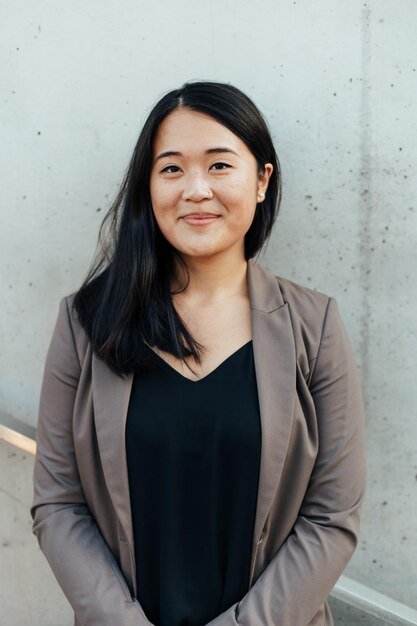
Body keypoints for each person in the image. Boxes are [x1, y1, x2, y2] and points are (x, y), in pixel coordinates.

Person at [31, 81, 366, 626]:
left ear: (261, 181)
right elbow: (58, 503)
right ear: (148, 187)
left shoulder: (315, 326)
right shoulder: (85, 322)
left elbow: (331, 517)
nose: (194, 190)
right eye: (171, 169)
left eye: (218, 166)